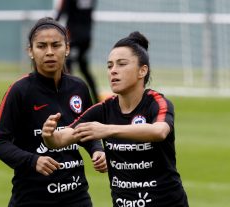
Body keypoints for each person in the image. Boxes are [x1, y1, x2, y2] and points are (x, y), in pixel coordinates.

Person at [42, 31, 189, 206]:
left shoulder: (156, 103)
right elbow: (60, 139)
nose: (113, 71)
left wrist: (107, 129)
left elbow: (159, 131)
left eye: (121, 64)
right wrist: (49, 136)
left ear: (143, 70)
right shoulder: (103, 109)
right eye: (110, 66)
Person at [0, 17, 107, 207]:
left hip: (76, 197)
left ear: (67, 49)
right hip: (32, 198)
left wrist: (97, 150)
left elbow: (87, 131)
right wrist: (33, 160)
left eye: (56, 45)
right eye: (42, 46)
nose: (50, 52)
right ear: (31, 51)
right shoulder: (20, 91)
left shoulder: (79, 87)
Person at [55, 0, 100, 102]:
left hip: (74, 37)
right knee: (83, 67)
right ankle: (96, 98)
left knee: (67, 67)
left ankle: (67, 98)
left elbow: (62, 12)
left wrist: (50, 24)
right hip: (86, 37)